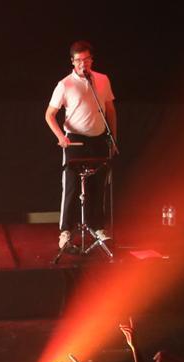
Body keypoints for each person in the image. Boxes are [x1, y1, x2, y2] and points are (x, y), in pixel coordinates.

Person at [43, 40, 117, 251]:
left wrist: (113, 139)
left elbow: (110, 110)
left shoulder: (102, 80)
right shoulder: (65, 84)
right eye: (78, 61)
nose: (82, 64)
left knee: (98, 185)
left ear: (91, 60)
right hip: (75, 140)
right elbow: (49, 114)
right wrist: (61, 137)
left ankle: (98, 227)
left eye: (86, 60)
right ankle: (65, 232)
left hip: (98, 138)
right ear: (72, 62)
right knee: (72, 186)